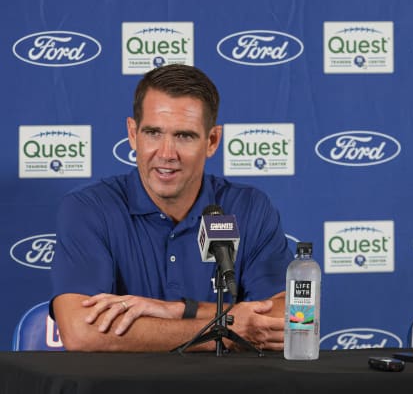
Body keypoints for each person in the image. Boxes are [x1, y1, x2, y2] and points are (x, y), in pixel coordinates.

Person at [51, 64, 294, 352]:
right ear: (132, 133)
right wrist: (225, 329)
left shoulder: (249, 207)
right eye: (153, 133)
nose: (166, 154)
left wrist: (179, 311)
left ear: (212, 141)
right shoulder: (89, 208)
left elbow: (292, 318)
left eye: (184, 136)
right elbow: (81, 331)